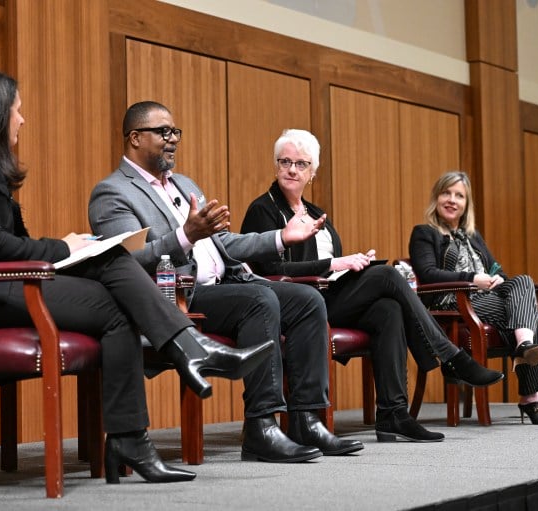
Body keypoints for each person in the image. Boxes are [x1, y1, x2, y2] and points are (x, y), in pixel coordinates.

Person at [0, 68, 275, 485]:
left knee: (113, 270)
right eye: (17, 110)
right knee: (115, 290)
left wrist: (77, 248)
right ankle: (182, 362)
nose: (22, 120)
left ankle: (137, 428)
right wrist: (66, 248)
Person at [89, 101, 364, 463]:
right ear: (135, 137)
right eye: (164, 132)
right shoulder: (112, 193)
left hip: (223, 284)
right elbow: (128, 262)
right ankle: (261, 427)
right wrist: (185, 235)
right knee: (259, 299)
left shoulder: (184, 184)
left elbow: (226, 243)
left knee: (306, 300)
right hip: (175, 296)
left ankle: (305, 418)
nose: (173, 140)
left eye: (176, 132)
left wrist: (282, 237)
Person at [240, 129, 506, 442]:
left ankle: (393, 414)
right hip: (298, 304)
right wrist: (335, 265)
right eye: (285, 162)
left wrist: (354, 264)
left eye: (301, 164)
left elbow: (331, 264)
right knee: (389, 276)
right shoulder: (263, 209)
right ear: (275, 166)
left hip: (330, 294)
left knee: (388, 309)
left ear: (313, 171)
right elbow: (269, 269)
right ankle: (451, 357)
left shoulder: (315, 213)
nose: (292, 169)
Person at [409, 171, 538, 425]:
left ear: (466, 204)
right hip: (454, 300)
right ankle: (531, 397)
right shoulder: (425, 233)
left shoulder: (473, 236)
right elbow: (428, 274)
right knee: (526, 311)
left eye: (459, 196)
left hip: (486, 298)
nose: (452, 200)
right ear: (436, 197)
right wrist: (472, 278)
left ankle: (524, 346)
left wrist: (498, 278)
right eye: (447, 193)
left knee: (523, 281)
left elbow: (495, 269)